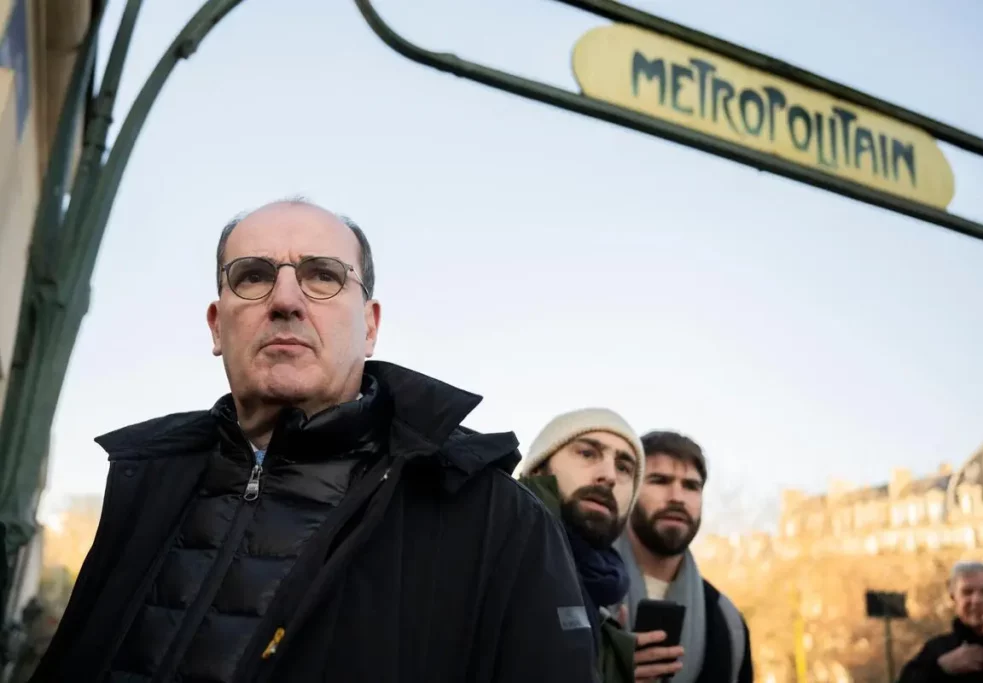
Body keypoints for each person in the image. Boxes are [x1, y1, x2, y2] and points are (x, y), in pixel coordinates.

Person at [30, 198, 597, 683]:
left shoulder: (496, 520)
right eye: (252, 275)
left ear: (370, 326)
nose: (285, 299)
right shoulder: (144, 482)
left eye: (323, 276)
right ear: (214, 326)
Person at [518, 408, 684, 683]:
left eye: (624, 468)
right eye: (587, 453)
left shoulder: (598, 593)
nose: (609, 475)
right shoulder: (498, 548)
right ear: (537, 468)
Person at [615, 431, 752, 683]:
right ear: (629, 491)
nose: (677, 497)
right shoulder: (581, 590)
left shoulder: (726, 621)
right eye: (659, 480)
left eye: (691, 486)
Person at [897, 561, 983, 681]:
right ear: (954, 598)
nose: (976, 600)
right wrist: (941, 669)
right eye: (967, 592)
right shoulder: (938, 649)